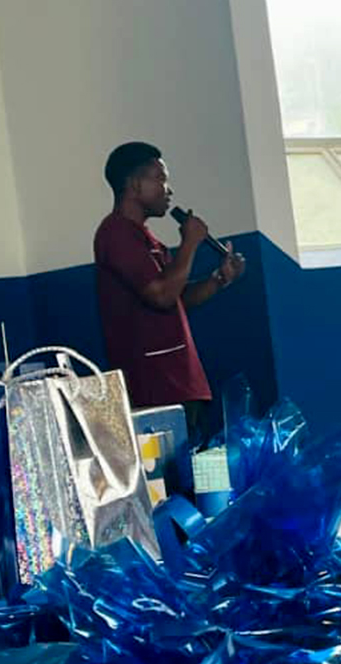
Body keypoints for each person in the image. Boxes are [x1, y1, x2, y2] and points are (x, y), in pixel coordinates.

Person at [94, 141, 246, 440]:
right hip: (153, 387)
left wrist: (219, 279)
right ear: (134, 185)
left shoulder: (147, 239)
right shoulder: (115, 233)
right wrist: (189, 243)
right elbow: (161, 295)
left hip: (179, 382)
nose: (169, 190)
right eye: (161, 179)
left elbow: (177, 298)